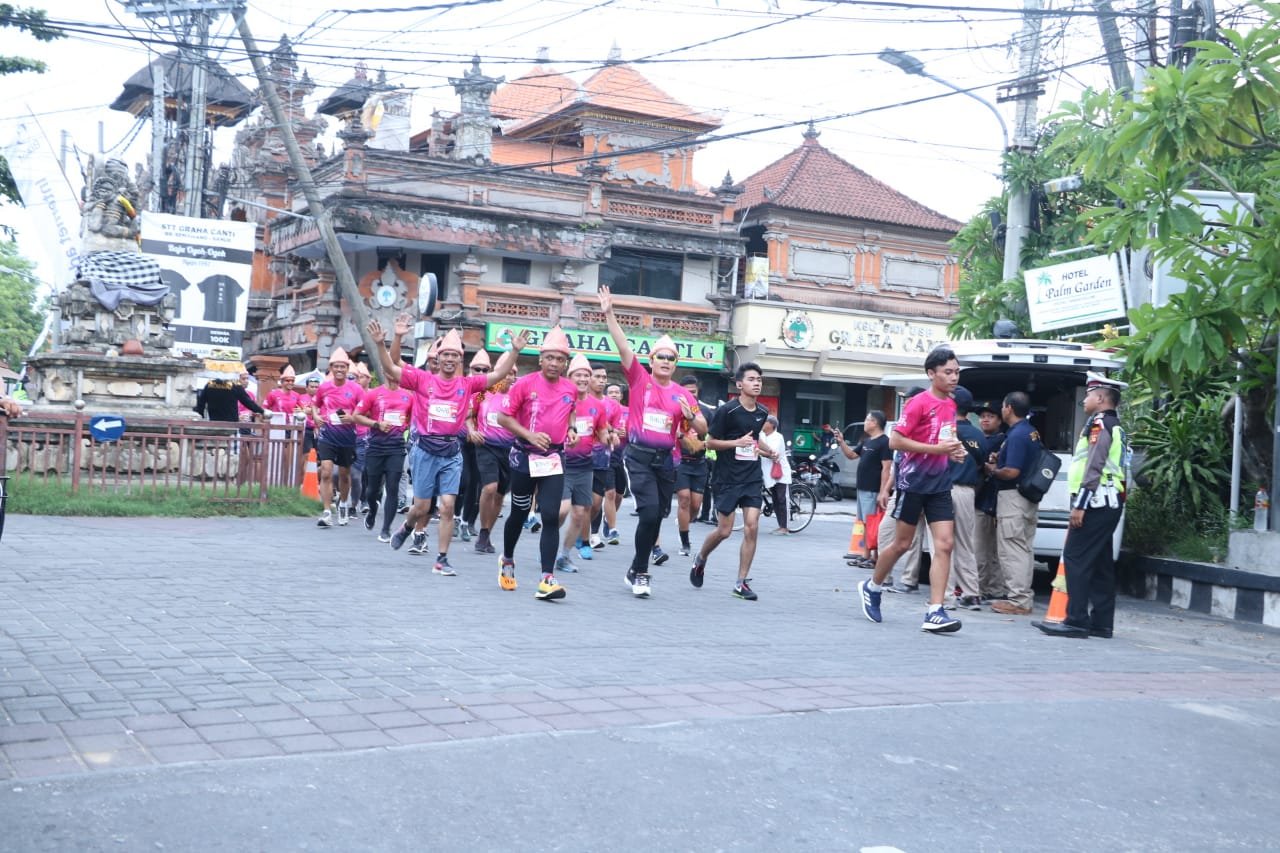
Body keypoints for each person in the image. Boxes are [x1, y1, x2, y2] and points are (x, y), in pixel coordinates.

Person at [368, 318, 525, 573]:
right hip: (425, 450)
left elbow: (498, 374)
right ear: (438, 359)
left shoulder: (467, 384)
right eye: (446, 355)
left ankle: (441, 559)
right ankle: (407, 526)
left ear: (460, 360)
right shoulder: (421, 380)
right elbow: (391, 366)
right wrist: (383, 342)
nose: (450, 359)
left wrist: (515, 351)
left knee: (448, 506)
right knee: (421, 507)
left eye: (455, 355)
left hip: (451, 452)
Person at [599, 286, 706, 598]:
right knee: (647, 513)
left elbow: (702, 427)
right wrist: (609, 314)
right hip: (639, 457)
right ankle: (642, 573)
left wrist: (692, 416)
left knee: (656, 516)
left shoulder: (683, 394)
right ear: (651, 359)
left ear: (675, 363)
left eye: (671, 358)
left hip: (667, 461)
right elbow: (622, 347)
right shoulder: (639, 380)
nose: (665, 361)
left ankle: (635, 565)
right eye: (661, 356)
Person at [857, 347, 966, 633]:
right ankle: (873, 586)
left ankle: (935, 611)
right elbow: (895, 441)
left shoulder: (951, 405)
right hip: (912, 484)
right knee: (902, 545)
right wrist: (936, 449)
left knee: (945, 544)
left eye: (956, 372)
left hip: (940, 485)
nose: (954, 377)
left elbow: (946, 438)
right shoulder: (918, 403)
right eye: (948, 372)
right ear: (932, 374)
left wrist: (954, 451)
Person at [1038, 374, 1129, 639]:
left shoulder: (1100, 425)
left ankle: (1076, 621)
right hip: (1109, 502)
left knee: (1076, 558)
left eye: (1089, 395)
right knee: (1100, 565)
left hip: (1096, 502)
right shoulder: (1115, 425)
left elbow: (1094, 466)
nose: (1084, 400)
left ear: (1100, 398)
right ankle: (1101, 623)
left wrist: (1080, 505)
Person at [494, 327, 577, 600]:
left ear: (565, 363)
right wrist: (529, 434)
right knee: (518, 513)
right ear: (541, 359)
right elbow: (503, 418)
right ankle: (507, 559)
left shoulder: (570, 388)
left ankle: (547, 578)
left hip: (554, 458)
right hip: (524, 457)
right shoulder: (524, 384)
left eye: (560, 359)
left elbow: (571, 413)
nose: (554, 363)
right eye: (550, 358)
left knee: (551, 515)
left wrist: (572, 429)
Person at [689, 363, 774, 600]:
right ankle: (701, 558)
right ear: (739, 384)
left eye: (759, 379)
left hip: (751, 477)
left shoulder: (762, 412)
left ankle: (741, 582)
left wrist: (768, 452)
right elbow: (710, 442)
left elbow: (754, 440)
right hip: (726, 478)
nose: (757, 383)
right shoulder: (727, 411)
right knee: (724, 531)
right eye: (751, 379)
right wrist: (736, 443)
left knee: (752, 527)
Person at [985, 390, 1043, 616]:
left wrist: (993, 470)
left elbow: (1012, 472)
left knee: (1012, 550)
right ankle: (1022, 597)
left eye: (1002, 407)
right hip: (1027, 498)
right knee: (1024, 548)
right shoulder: (1031, 432)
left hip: (1013, 498)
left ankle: (1018, 600)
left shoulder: (1017, 434)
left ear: (1008, 408)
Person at [556, 354, 610, 573]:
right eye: (578, 375)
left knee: (579, 514)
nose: (583, 379)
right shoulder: (561, 400)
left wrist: (610, 437)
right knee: (562, 511)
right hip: (562, 464)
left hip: (585, 466)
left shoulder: (598, 405)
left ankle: (564, 555)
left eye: (586, 375)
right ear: (569, 377)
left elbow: (602, 431)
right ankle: (549, 538)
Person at [352, 369, 413, 542]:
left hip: (396, 448)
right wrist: (376, 424)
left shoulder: (408, 396)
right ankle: (371, 510)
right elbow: (356, 416)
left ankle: (386, 529)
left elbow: (412, 419)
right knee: (372, 490)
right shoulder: (374, 394)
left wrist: (405, 429)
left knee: (392, 488)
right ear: (385, 373)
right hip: (376, 447)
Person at [308, 349, 363, 528]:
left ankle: (344, 504)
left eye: (343, 367)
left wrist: (352, 417)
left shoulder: (356, 388)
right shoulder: (324, 386)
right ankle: (326, 511)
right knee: (325, 470)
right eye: (336, 366)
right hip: (327, 435)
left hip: (347, 437)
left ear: (347, 368)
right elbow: (314, 405)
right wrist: (316, 416)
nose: (339, 369)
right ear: (331, 368)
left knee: (344, 475)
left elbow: (364, 411)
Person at [835, 410, 891, 566]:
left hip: (873, 490)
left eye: (867, 420)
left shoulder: (884, 442)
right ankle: (866, 555)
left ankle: (875, 557)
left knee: (874, 523)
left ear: (875, 423)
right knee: (866, 522)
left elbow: (886, 468)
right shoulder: (867, 441)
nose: (865, 423)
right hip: (862, 488)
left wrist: (883, 491)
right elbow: (851, 455)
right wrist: (841, 441)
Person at [470, 366, 515, 555]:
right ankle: (482, 531)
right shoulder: (483, 393)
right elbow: (469, 415)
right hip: (486, 446)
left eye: (513, 372)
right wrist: (472, 431)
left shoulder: (518, 396)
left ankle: (487, 532)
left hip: (510, 450)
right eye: (506, 372)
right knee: (489, 487)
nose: (509, 376)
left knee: (499, 495)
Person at [948, 386, 986, 610]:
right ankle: (972, 593)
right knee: (965, 543)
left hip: (942, 490)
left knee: (940, 545)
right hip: (967, 492)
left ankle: (945, 595)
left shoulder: (945, 430)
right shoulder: (978, 434)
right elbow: (981, 464)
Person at [674, 375, 714, 556]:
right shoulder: (674, 409)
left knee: (696, 505)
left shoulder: (705, 411)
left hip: (699, 463)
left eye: (694, 392)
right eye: (687, 392)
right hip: (680, 461)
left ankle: (684, 524)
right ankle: (685, 541)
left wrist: (706, 444)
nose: (691, 395)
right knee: (684, 499)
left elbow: (712, 435)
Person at [973, 399, 1007, 601]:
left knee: (986, 549)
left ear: (1000, 420)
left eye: (990, 416)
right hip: (980, 499)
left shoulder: (1001, 441)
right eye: (983, 416)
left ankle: (986, 588)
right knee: (984, 548)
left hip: (991, 500)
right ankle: (988, 588)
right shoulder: (978, 438)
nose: (985, 419)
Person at [458, 349, 492, 543]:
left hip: (482, 444)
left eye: (484, 369)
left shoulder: (490, 391)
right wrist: (469, 430)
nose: (480, 372)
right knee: (464, 480)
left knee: (478, 485)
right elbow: (465, 414)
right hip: (462, 440)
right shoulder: (464, 386)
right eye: (476, 369)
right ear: (469, 369)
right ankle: (455, 517)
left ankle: (467, 521)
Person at [587, 366, 624, 550]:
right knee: (575, 504)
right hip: (578, 458)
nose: (601, 380)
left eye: (604, 377)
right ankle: (585, 536)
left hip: (603, 458)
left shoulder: (613, 406)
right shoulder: (579, 399)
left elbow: (615, 430)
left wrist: (615, 435)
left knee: (596, 502)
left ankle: (592, 532)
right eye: (597, 376)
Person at [759, 415, 791, 534]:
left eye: (765, 422)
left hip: (780, 472)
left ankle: (784, 527)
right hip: (768, 473)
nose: (762, 423)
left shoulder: (778, 437)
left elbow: (773, 453)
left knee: (782, 499)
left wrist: (758, 451)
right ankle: (780, 525)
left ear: (771, 425)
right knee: (775, 499)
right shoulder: (761, 435)